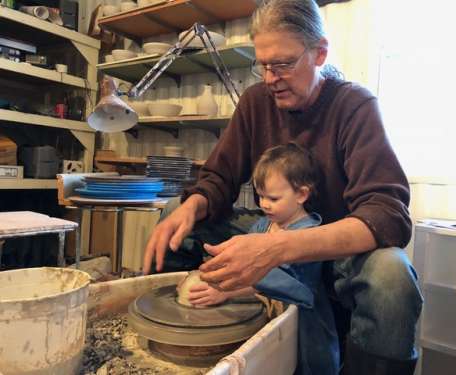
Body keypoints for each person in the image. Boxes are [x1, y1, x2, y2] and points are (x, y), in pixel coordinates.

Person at [144, 0, 423, 373]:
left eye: (284, 64)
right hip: (275, 227)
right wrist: (190, 206)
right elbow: (219, 177)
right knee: (177, 219)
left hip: (333, 251)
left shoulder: (354, 106)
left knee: (392, 278)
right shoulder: (256, 102)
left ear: (319, 52)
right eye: (263, 65)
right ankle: (187, 343)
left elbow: (388, 216)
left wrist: (276, 248)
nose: (271, 78)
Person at [188, 143, 339, 374]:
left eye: (273, 198)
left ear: (301, 194)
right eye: (260, 196)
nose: (264, 204)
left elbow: (288, 284)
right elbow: (243, 265)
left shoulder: (309, 233)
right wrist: (217, 266)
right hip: (270, 321)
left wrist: (226, 290)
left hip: (306, 333)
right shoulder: (263, 224)